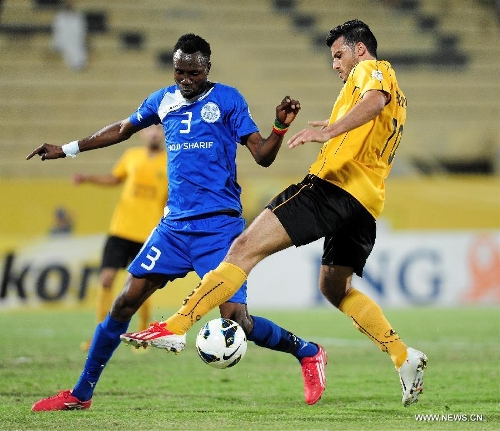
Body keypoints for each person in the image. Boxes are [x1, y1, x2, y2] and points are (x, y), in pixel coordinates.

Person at [122, 20, 428, 407]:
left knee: (243, 248)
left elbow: (374, 102)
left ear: (360, 49)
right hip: (366, 206)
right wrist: (337, 126)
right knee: (334, 288)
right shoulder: (397, 96)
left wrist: (330, 132)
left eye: (339, 55)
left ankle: (176, 325)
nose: (336, 64)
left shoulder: (374, 70)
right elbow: (374, 115)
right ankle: (402, 356)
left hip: (332, 188)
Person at [27, 33, 326, 411]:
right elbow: (122, 129)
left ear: (207, 69)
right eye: (179, 72)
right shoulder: (162, 100)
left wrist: (279, 127)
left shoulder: (228, 100)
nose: (184, 80)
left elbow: (263, 156)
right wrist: (67, 149)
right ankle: (81, 393)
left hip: (219, 229)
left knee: (237, 322)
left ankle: (309, 352)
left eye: (193, 73)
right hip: (173, 229)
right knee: (124, 303)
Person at [74, 124, 167, 351]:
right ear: (143, 133)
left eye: (159, 128)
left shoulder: (172, 161)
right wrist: (88, 178)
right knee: (106, 280)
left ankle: (143, 332)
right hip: (121, 230)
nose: (154, 132)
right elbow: (114, 179)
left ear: (164, 133)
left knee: (143, 285)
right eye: (150, 129)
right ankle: (100, 334)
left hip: (149, 234)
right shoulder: (131, 156)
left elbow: (172, 197)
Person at [51, 0, 87, 71]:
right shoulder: (59, 17)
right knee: (67, 50)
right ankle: (74, 64)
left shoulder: (78, 17)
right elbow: (56, 30)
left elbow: (82, 30)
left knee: (77, 50)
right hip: (63, 39)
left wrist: (81, 39)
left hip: (75, 39)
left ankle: (78, 65)